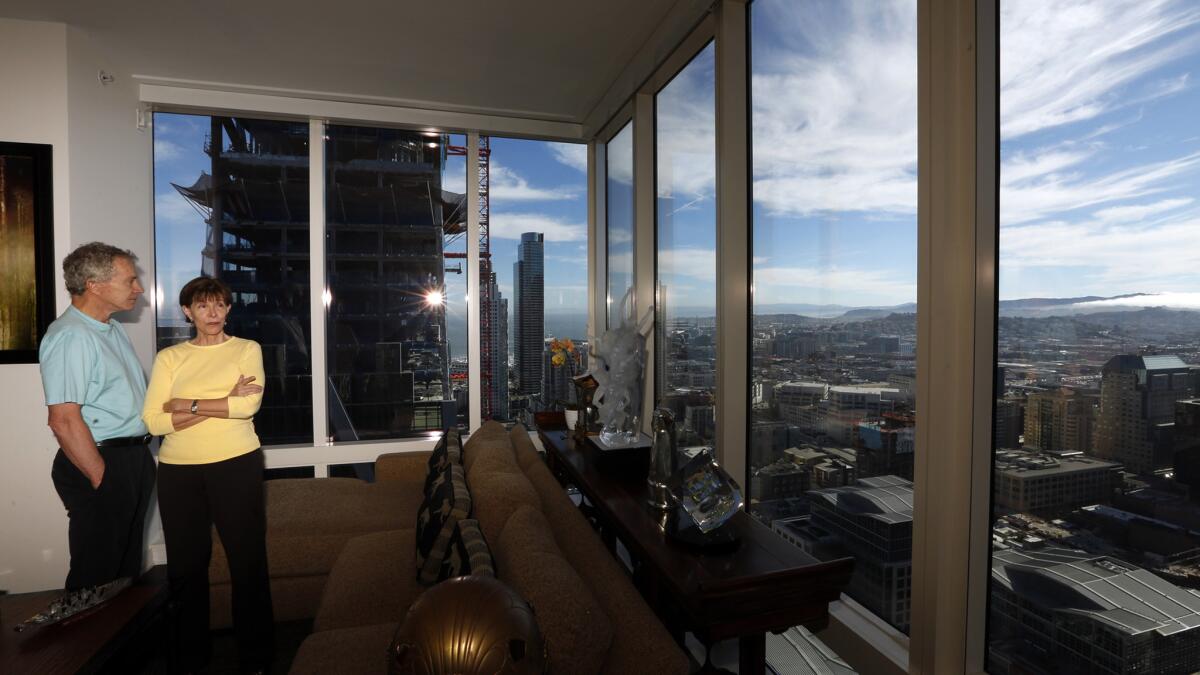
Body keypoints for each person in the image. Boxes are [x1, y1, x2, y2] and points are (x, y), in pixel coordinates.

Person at [142, 276, 273, 673]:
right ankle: (190, 660)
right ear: (187, 312)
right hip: (178, 471)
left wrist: (184, 403)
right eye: (203, 306)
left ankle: (257, 659)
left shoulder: (247, 349)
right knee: (185, 568)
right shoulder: (170, 358)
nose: (212, 313)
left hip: (236, 463)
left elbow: (246, 409)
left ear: (229, 309)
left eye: (219, 305)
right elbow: (153, 420)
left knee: (247, 562)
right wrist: (220, 401)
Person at [40, 242, 155, 591]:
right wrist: (102, 477)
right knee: (97, 575)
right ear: (94, 284)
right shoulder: (71, 336)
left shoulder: (111, 328)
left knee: (123, 573)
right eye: (130, 280)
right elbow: (62, 419)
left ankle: (120, 645)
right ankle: (81, 646)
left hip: (131, 458)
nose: (139, 288)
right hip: (104, 459)